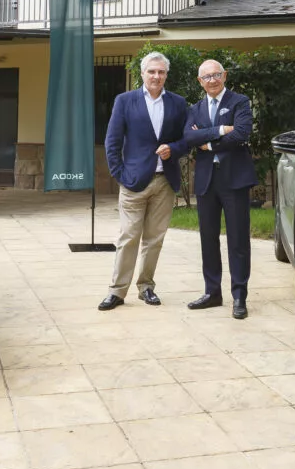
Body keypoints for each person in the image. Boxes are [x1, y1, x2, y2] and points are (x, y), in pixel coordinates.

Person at [99, 52, 189, 311]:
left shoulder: (177, 103)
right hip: (133, 181)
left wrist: (173, 148)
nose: (156, 76)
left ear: (166, 75)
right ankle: (117, 291)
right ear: (142, 73)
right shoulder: (124, 101)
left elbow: (186, 140)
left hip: (165, 182)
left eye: (161, 72)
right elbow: (112, 141)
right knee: (128, 236)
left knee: (154, 238)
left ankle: (146, 286)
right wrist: (120, 174)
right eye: (152, 71)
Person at [183, 59, 255, 319]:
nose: (212, 80)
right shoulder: (196, 108)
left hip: (234, 180)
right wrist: (221, 129)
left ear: (224, 76)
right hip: (206, 181)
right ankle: (212, 292)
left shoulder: (239, 101)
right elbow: (189, 138)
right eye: (206, 77)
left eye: (216, 75)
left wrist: (209, 142)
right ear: (200, 81)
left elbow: (242, 133)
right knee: (208, 239)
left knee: (237, 240)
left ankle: (239, 296)